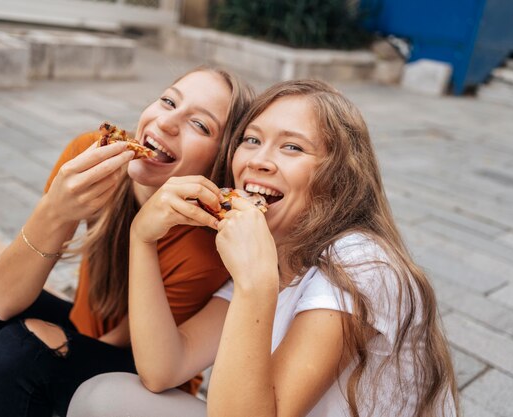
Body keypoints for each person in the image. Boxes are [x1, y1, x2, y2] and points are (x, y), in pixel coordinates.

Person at [68, 79, 460, 417]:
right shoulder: (276, 251)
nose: (259, 161)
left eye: (292, 148)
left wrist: (254, 285)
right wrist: (143, 238)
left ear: (339, 178)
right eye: (251, 140)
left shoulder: (363, 264)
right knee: (102, 396)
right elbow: (161, 368)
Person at [0, 67, 254, 417]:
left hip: (143, 371)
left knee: (21, 351)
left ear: (220, 161)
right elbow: (3, 302)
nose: (168, 122)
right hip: (82, 327)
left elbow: (127, 341)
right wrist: (56, 210)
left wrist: (45, 361)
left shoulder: (206, 243)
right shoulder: (90, 157)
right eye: (168, 101)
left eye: (200, 125)